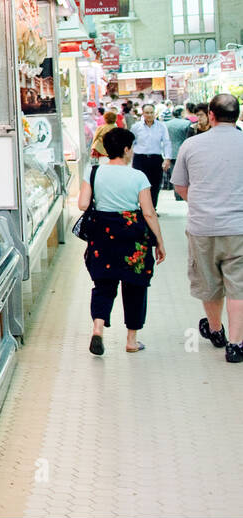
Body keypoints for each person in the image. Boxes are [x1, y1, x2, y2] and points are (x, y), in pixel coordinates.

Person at [78, 127, 166, 355]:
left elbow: (82, 204)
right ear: (127, 149)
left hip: (103, 234)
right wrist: (159, 241)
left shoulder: (93, 171)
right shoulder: (138, 176)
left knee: (103, 285)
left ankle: (98, 329)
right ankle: (131, 340)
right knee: (135, 285)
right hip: (133, 236)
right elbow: (148, 213)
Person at [172, 93, 243, 363]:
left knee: (209, 282)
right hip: (239, 227)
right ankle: (236, 345)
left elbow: (179, 186)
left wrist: (201, 202)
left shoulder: (192, 145)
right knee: (239, 285)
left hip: (203, 227)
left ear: (210, 115)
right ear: (236, 116)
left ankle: (215, 330)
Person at [130, 104, 171, 208]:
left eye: (151, 112)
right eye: (147, 113)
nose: (149, 115)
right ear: (143, 113)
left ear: (155, 113)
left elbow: (167, 142)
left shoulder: (161, 126)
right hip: (140, 159)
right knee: (139, 185)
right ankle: (141, 208)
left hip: (155, 159)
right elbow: (131, 143)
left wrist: (167, 159)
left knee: (155, 185)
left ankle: (152, 209)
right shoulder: (136, 127)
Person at [165, 106, 195, 199]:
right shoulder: (186, 123)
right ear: (181, 113)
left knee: (174, 174)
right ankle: (184, 195)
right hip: (183, 149)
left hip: (171, 151)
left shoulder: (166, 124)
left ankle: (177, 195)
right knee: (185, 174)